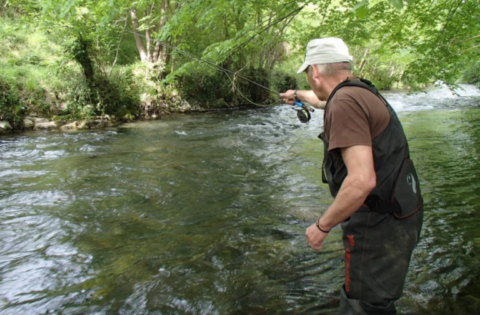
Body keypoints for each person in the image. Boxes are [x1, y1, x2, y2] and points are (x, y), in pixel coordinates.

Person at [280, 38, 423, 314]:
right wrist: (297, 95)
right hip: (402, 210)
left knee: (362, 304)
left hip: (378, 224)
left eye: (307, 74)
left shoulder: (344, 103)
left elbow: (361, 180)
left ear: (315, 72)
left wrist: (322, 226)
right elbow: (323, 101)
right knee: (378, 301)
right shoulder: (358, 92)